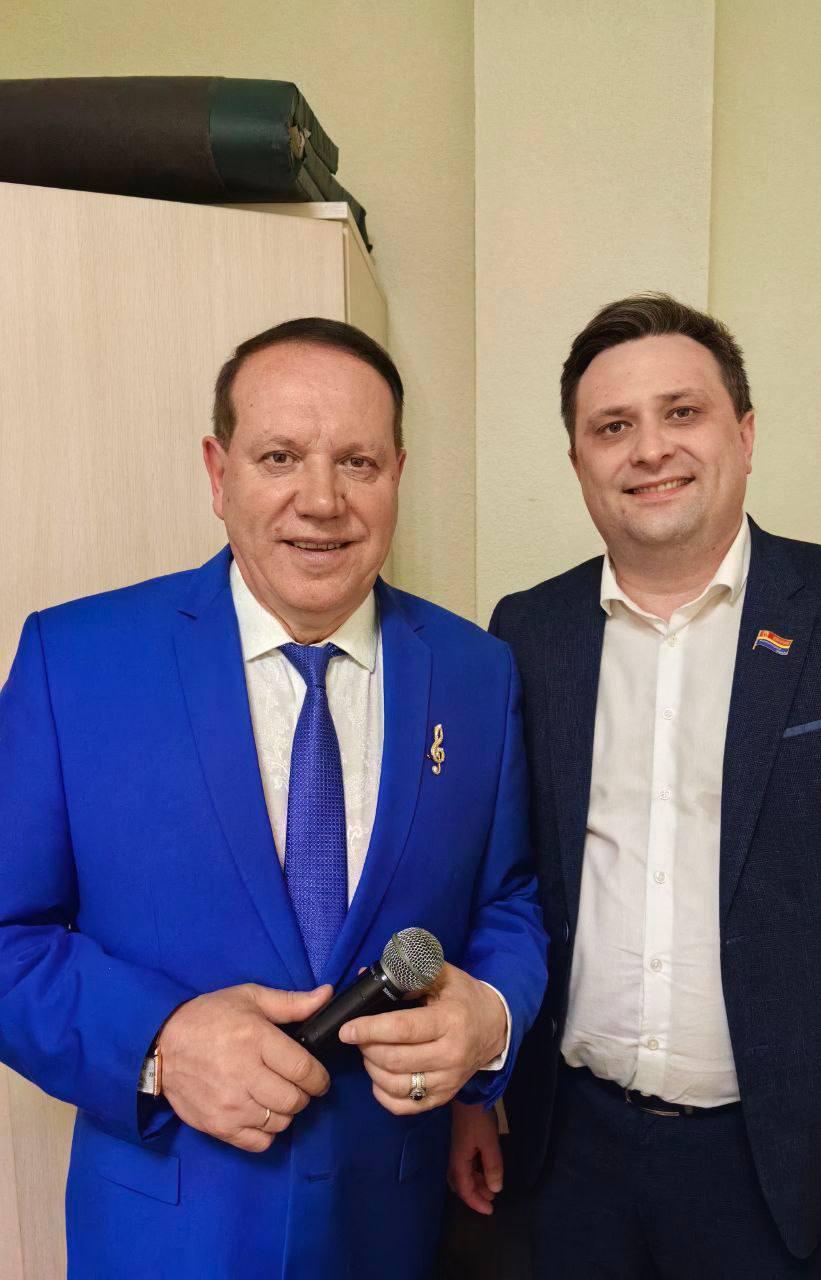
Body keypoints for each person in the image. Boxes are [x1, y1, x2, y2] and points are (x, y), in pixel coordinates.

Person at [0, 317, 547, 1279]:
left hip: (390, 1227)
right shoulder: (74, 661)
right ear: (219, 474)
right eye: (280, 457)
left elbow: (507, 900)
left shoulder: (477, 672)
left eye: (358, 462)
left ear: (398, 475)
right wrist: (160, 1046)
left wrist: (490, 1017)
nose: (322, 501)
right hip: (164, 1234)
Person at [448, 294, 821, 1279]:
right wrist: (479, 1089)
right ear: (578, 461)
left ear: (746, 433)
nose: (650, 449)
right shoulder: (529, 631)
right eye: (612, 426)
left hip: (791, 1159)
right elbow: (500, 879)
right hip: (569, 1147)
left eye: (681, 412)